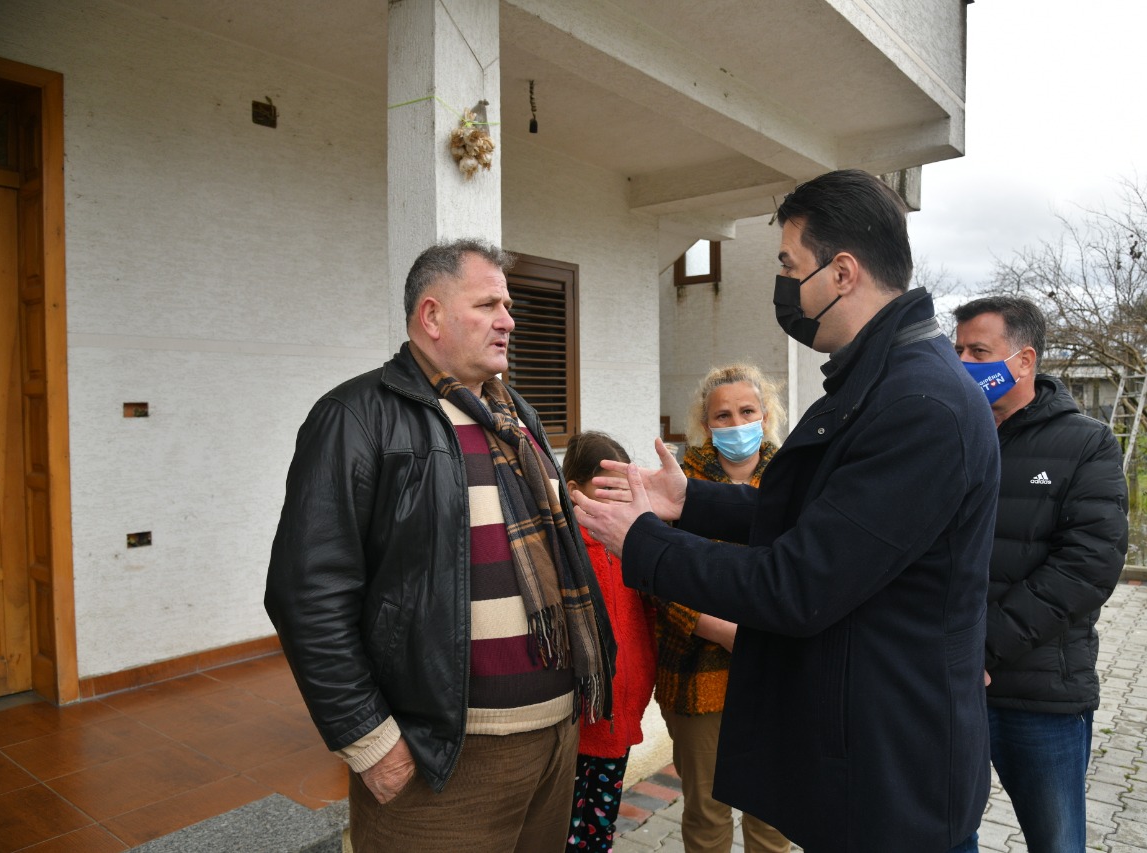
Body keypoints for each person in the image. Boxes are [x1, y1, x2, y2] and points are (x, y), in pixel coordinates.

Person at [573, 169, 1000, 852]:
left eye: (788, 265)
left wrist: (643, 542)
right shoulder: (882, 383)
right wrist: (689, 502)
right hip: (865, 753)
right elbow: (811, 514)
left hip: (892, 774)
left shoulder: (919, 405)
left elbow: (796, 583)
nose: (783, 284)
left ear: (842, 273)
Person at [265, 239, 616, 853]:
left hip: (553, 741)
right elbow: (307, 594)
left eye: (508, 306)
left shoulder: (514, 415)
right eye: (488, 305)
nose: (508, 321)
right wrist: (372, 742)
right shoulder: (356, 416)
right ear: (431, 316)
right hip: (441, 760)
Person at [953, 296, 1129, 853]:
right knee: (944, 834)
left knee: (1056, 841)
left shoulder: (1085, 443)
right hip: (950, 686)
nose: (962, 363)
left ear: (1024, 360)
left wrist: (982, 647)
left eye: (978, 352)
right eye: (957, 351)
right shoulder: (948, 435)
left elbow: (1089, 565)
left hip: (1040, 694)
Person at [657, 364, 789, 853]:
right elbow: (657, 574)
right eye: (723, 415)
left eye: (747, 411)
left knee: (773, 814)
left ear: (766, 415)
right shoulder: (679, 480)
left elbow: (811, 568)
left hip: (778, 673)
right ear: (705, 423)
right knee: (707, 812)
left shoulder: (795, 477)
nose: (737, 424)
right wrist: (721, 630)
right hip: (696, 674)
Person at [561, 431, 656, 853]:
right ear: (574, 490)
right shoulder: (562, 551)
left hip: (621, 716)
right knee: (561, 831)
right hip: (576, 724)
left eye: (622, 494)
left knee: (600, 830)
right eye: (605, 492)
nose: (616, 503)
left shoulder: (633, 546)